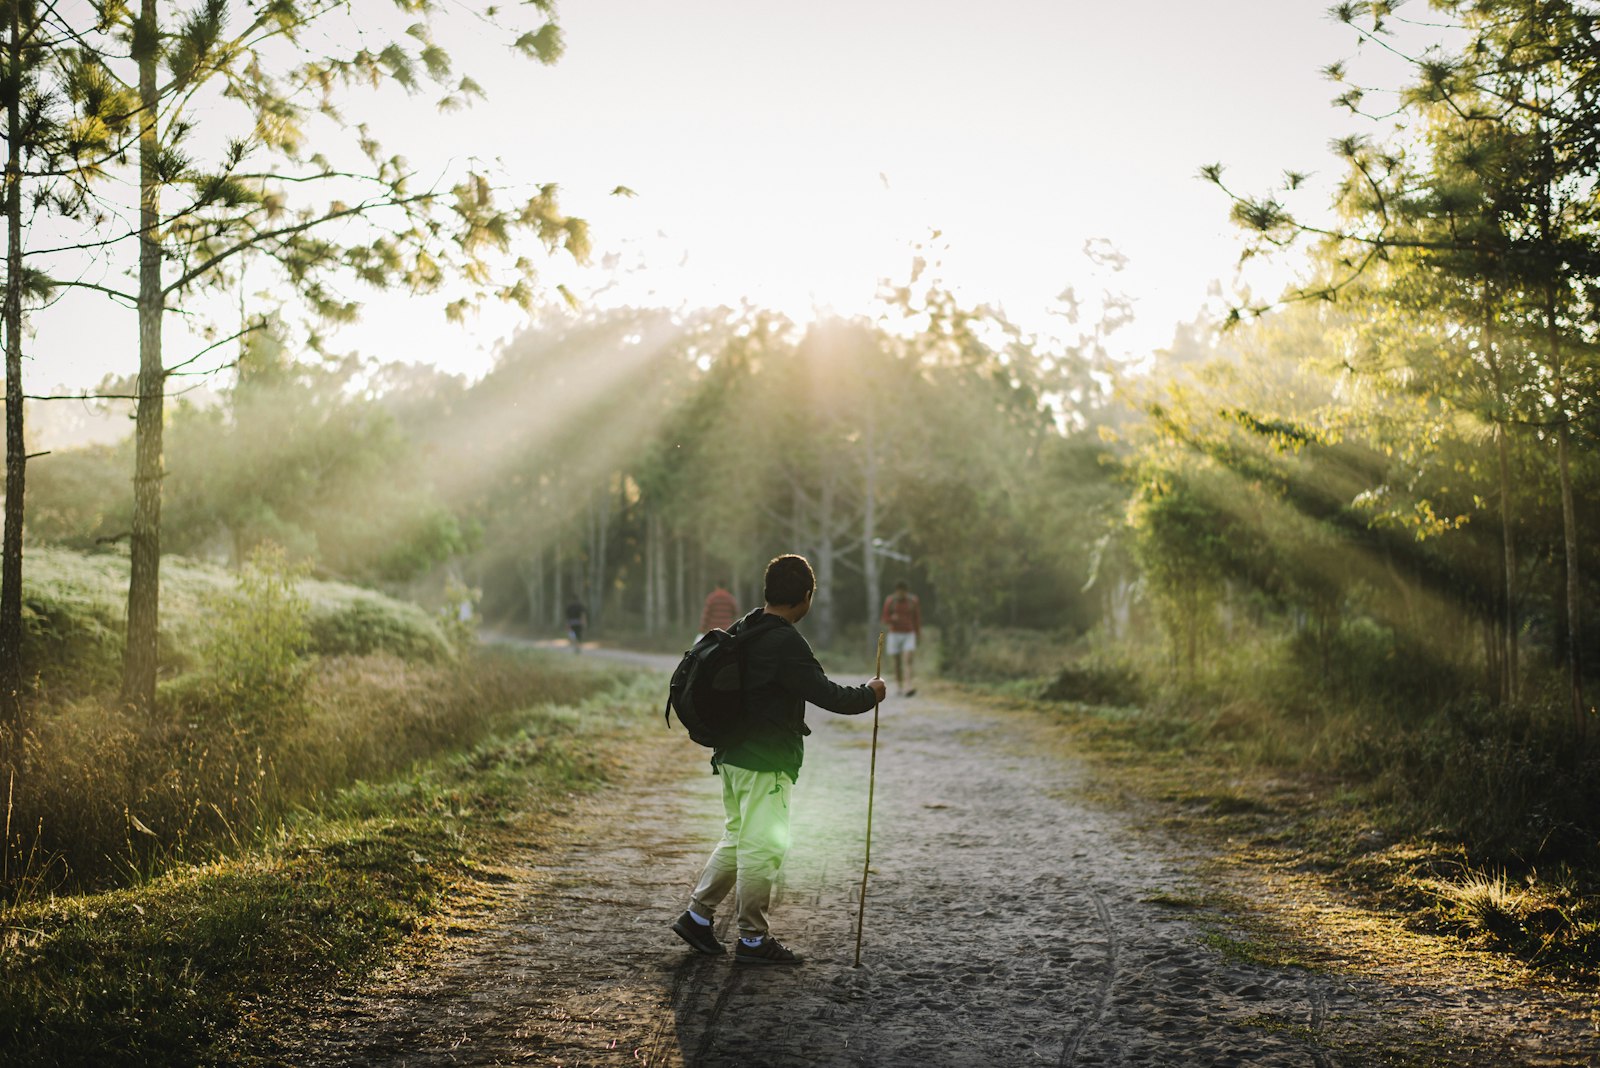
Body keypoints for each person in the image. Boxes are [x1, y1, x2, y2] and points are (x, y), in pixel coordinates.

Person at [671, 553, 886, 966]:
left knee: (738, 838)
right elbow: (829, 695)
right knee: (763, 848)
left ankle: (698, 917)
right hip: (763, 761)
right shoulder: (786, 641)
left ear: (769, 592)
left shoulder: (747, 625)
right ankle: (753, 939)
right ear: (806, 597)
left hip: (731, 755)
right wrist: (870, 693)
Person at [880, 580, 922, 696]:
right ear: (896, 591)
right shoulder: (890, 601)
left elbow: (917, 618)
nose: (901, 594)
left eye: (903, 592)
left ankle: (908, 686)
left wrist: (918, 634)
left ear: (906, 592)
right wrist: (893, 619)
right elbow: (884, 618)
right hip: (894, 634)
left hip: (909, 633)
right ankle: (899, 686)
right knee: (897, 661)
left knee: (908, 660)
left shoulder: (912, 601)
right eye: (899, 592)